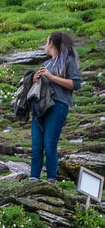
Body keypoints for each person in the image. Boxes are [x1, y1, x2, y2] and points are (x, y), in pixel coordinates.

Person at [30, 31, 82, 181]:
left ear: (51, 43)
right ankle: (33, 180)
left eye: (46, 42)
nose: (45, 45)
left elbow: (75, 83)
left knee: (50, 145)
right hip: (40, 107)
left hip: (58, 106)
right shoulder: (46, 64)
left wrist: (51, 77)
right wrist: (34, 79)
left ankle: (51, 181)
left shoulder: (68, 61)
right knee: (36, 146)